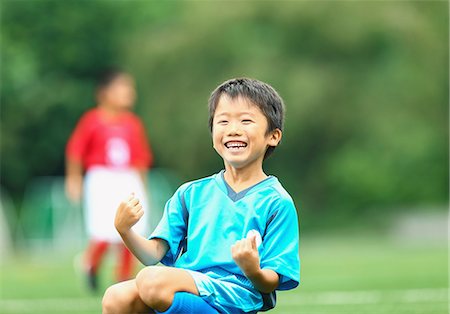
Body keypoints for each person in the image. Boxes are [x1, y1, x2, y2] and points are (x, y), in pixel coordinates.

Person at [102, 78, 300, 313]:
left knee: (151, 281)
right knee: (115, 297)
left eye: (246, 120)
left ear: (273, 136)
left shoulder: (277, 202)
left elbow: (272, 280)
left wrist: (252, 269)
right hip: (192, 283)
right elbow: (152, 254)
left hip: (236, 296)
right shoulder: (190, 194)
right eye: (223, 121)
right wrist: (125, 230)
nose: (233, 129)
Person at [65, 69, 153, 291]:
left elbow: (141, 158)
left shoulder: (133, 124)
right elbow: (75, 151)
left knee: (131, 228)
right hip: (102, 178)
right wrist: (74, 179)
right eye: (123, 87)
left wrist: (143, 187)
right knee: (104, 230)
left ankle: (123, 278)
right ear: (105, 93)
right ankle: (90, 264)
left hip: (127, 178)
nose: (129, 92)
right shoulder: (92, 121)